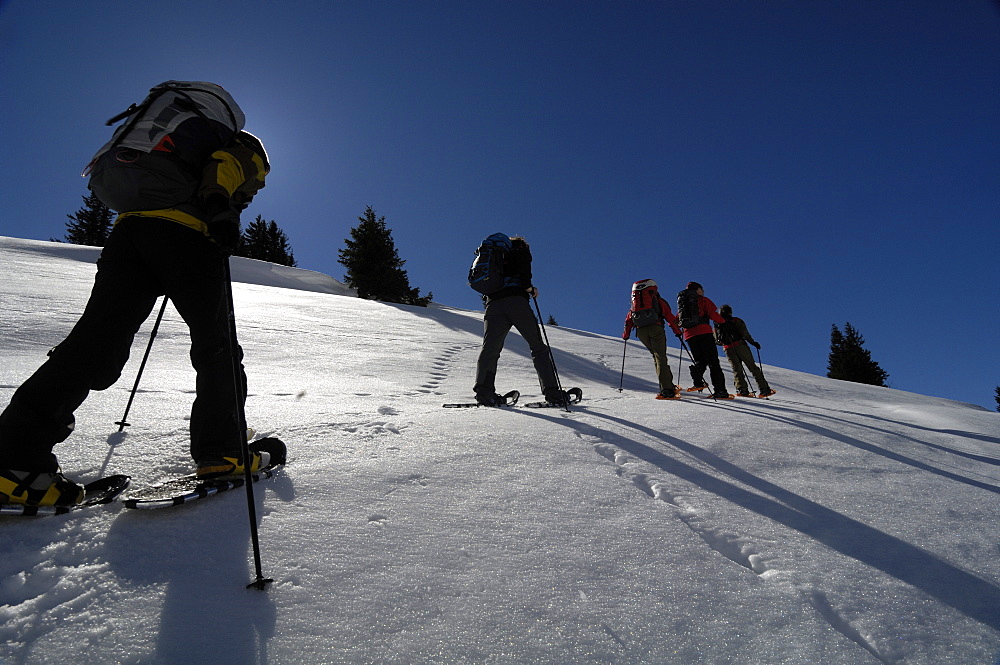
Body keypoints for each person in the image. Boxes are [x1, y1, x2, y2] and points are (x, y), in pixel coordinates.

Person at [0, 81, 270, 507]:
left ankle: (14, 460)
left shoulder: (160, 134)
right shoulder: (244, 144)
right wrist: (219, 205)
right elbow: (227, 165)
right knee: (215, 347)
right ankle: (225, 452)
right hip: (188, 241)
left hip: (129, 234)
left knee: (93, 344)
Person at [473, 235, 569, 407]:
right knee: (538, 347)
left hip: (493, 305)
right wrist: (531, 289)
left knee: (490, 349)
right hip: (517, 303)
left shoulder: (493, 254)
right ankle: (552, 392)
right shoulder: (521, 250)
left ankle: (484, 392)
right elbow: (525, 278)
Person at [622, 279, 683, 399]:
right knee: (661, 357)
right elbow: (669, 317)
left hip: (641, 332)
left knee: (656, 356)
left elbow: (628, 320)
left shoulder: (635, 303)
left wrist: (626, 335)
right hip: (656, 328)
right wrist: (677, 331)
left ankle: (668, 385)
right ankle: (667, 390)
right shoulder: (657, 300)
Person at [676, 281, 731, 399]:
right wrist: (723, 321)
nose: (703, 291)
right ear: (697, 290)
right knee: (713, 362)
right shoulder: (703, 300)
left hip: (689, 336)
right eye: (702, 289)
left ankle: (697, 380)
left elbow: (677, 320)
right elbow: (713, 315)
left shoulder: (683, 304)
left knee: (700, 360)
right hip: (704, 333)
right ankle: (720, 390)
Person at [714, 304, 775, 397]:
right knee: (752, 367)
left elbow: (717, 341)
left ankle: (742, 390)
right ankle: (764, 389)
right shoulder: (736, 320)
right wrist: (753, 342)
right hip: (741, 346)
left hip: (728, 349)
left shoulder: (717, 324)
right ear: (730, 312)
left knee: (736, 369)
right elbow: (745, 334)